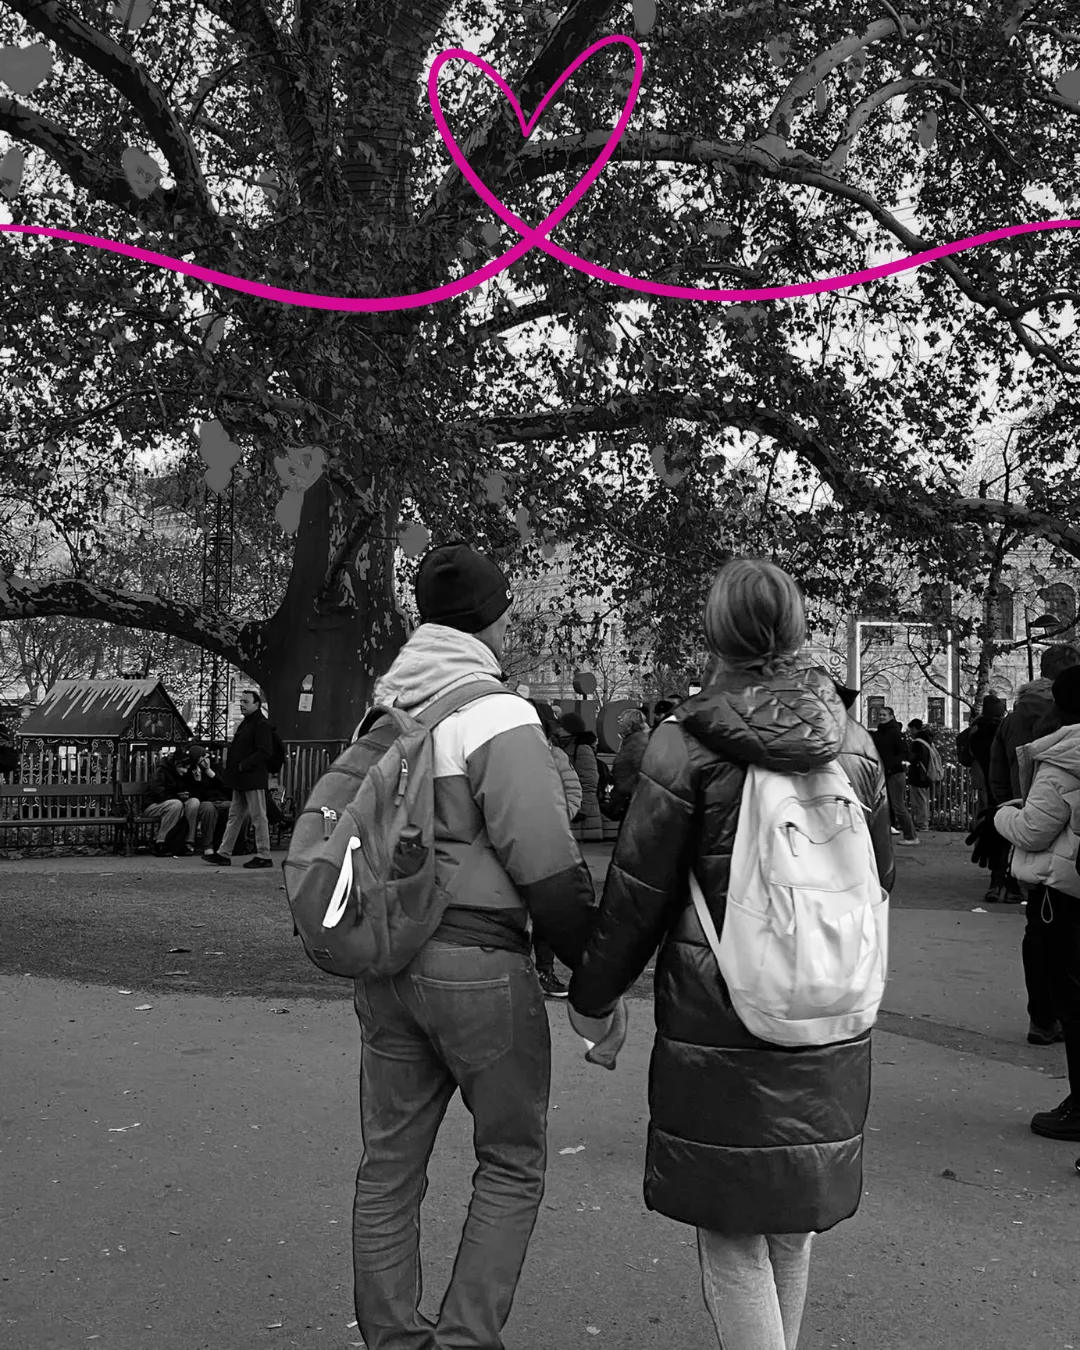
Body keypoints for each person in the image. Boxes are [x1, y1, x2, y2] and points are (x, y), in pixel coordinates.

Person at [568, 557, 895, 1350]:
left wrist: (594, 998)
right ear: (796, 628)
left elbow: (638, 894)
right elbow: (879, 878)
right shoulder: (853, 744)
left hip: (723, 1011)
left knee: (732, 1235)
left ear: (716, 633)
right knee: (790, 1227)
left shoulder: (686, 744)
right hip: (829, 999)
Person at [350, 542, 596, 1350]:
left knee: (389, 1166)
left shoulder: (382, 712)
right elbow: (547, 864)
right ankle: (465, 1339)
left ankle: (392, 1339)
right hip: (478, 961)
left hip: (388, 959)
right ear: (493, 618)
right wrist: (594, 978)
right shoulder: (497, 713)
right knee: (512, 1160)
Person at [994, 665, 1080, 1141]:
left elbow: (1033, 830)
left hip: (1061, 891)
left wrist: (1002, 814)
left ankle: (1078, 1106)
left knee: (1072, 996)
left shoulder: (1062, 759)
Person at [529, 699, 583, 997]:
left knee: (546, 912)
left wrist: (557, 820)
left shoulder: (555, 754)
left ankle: (544, 970)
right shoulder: (505, 753)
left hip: (548, 844)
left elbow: (574, 793)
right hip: (515, 842)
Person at [203, 690, 274, 869]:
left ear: (256, 704)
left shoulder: (260, 724)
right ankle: (224, 853)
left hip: (252, 777)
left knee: (258, 817)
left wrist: (244, 765)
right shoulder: (248, 723)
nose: (242, 704)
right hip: (242, 778)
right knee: (235, 816)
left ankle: (264, 854)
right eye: (241, 701)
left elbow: (265, 751)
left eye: (246, 702)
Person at [144, 746, 202, 856]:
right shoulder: (162, 770)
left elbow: (195, 794)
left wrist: (197, 781)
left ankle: (188, 842)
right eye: (183, 768)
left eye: (187, 768)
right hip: (154, 805)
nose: (185, 771)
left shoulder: (187, 773)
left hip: (176, 803)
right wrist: (177, 796)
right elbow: (158, 793)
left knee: (194, 802)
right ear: (176, 764)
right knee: (176, 804)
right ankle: (161, 842)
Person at [873, 706, 918, 845]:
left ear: (891, 716)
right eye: (880, 714)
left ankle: (911, 836)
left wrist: (891, 763)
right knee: (885, 804)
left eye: (884, 715)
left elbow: (905, 752)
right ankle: (887, 830)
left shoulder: (895, 733)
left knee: (898, 806)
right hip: (885, 773)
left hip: (895, 773)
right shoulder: (880, 732)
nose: (881, 717)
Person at [556, 712, 604, 841]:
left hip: (582, 815)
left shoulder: (582, 748)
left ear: (569, 729)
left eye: (562, 726)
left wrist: (582, 809)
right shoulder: (563, 746)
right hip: (571, 808)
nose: (558, 729)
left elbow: (589, 780)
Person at [187, 743, 231, 858]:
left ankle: (234, 845)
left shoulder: (217, 768)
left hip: (223, 799)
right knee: (208, 809)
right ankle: (208, 845)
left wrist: (212, 775)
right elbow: (196, 795)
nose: (206, 761)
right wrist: (198, 780)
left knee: (236, 809)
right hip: (206, 801)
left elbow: (227, 787)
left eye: (207, 757)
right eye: (202, 759)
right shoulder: (193, 772)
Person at [608, 707, 649, 819]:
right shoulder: (629, 741)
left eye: (621, 720)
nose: (618, 723)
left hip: (632, 798)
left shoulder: (638, 743)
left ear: (629, 725)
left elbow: (642, 770)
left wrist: (624, 788)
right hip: (627, 796)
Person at [906, 721, 935, 833]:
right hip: (926, 775)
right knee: (924, 800)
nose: (910, 732)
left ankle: (922, 824)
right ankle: (924, 823)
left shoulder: (917, 743)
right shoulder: (927, 742)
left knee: (919, 801)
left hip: (918, 775)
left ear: (914, 728)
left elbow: (912, 758)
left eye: (910, 729)